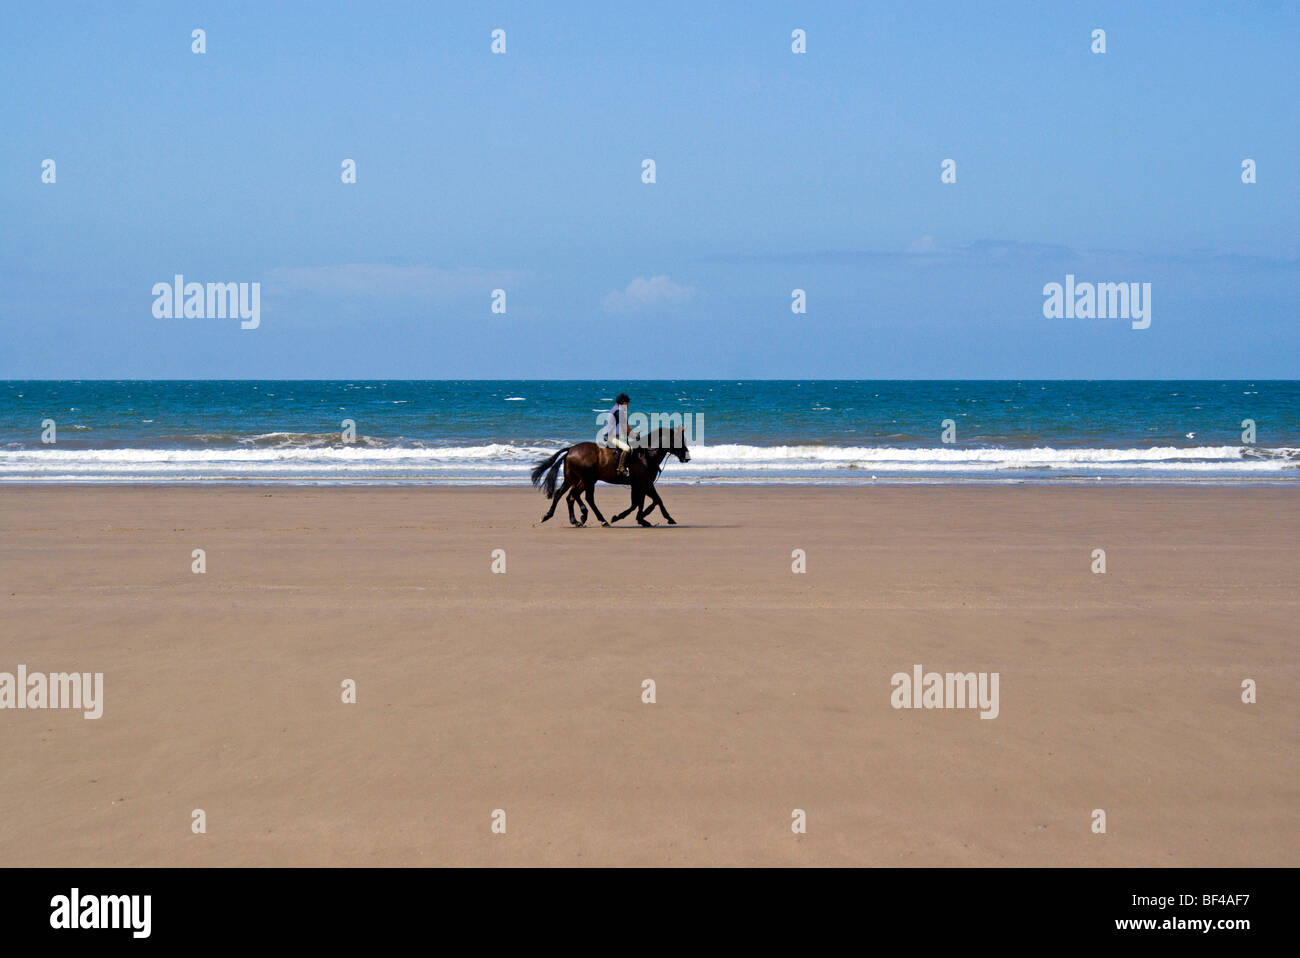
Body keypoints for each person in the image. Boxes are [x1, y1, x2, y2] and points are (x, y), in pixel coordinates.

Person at [600, 392, 634, 476]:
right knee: (626, 449)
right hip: (611, 437)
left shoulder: (614, 409)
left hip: (611, 435)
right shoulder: (619, 411)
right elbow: (624, 426)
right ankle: (621, 467)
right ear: (622, 403)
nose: (627, 406)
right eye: (626, 404)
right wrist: (635, 435)